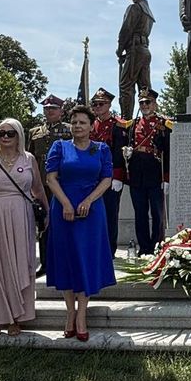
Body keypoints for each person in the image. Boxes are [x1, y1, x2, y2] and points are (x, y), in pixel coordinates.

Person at [45, 104, 116, 341]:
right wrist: (65, 203)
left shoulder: (101, 149)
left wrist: (88, 200)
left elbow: (106, 179)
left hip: (91, 211)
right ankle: (69, 313)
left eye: (82, 122)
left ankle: (82, 315)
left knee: (86, 260)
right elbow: (51, 178)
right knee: (67, 260)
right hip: (63, 209)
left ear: (91, 125)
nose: (77, 126)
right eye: (74, 122)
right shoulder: (60, 147)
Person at [0, 118, 47, 338]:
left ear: (19, 136)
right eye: (1, 133)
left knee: (20, 264)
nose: (5, 137)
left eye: (10, 133)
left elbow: (38, 188)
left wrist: (47, 213)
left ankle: (17, 317)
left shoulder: (29, 158)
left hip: (21, 216)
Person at [27, 94, 72, 275]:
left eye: (53, 108)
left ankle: (65, 262)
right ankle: (45, 263)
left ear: (61, 111)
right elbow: (30, 159)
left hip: (62, 185)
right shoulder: (35, 132)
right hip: (41, 186)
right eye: (46, 108)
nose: (49, 111)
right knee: (43, 225)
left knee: (64, 224)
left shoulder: (69, 131)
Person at [125, 88, 172, 256]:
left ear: (155, 104)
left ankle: (157, 245)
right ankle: (144, 247)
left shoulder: (164, 124)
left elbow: (168, 151)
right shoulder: (133, 124)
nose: (144, 105)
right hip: (137, 174)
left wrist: (166, 177)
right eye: (142, 103)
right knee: (140, 213)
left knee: (157, 213)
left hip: (155, 172)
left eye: (148, 102)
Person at [90, 87, 127, 256]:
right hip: (92, 178)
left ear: (109, 105)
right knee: (94, 214)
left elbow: (120, 152)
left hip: (110, 178)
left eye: (101, 104)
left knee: (110, 215)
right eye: (95, 104)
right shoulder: (92, 125)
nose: (97, 107)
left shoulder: (117, 125)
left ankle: (109, 250)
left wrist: (117, 176)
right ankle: (96, 247)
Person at [116, 0, 155, 120]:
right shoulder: (147, 10)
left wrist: (120, 49)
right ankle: (149, 117)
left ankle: (126, 120)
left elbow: (125, 30)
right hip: (144, 50)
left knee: (126, 86)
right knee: (144, 87)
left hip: (135, 49)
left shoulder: (134, 8)